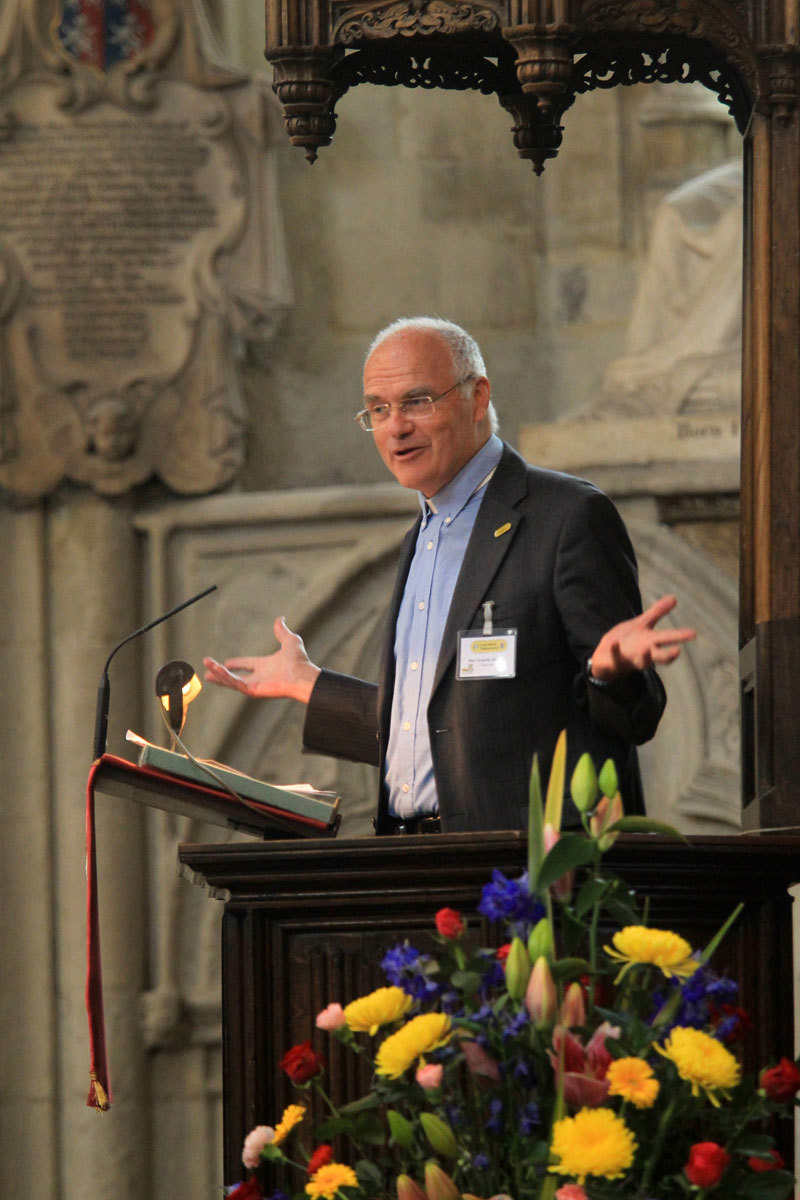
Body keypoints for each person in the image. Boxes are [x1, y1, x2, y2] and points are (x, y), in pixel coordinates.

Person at [204, 317, 695, 833]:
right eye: (378, 409)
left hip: (527, 874)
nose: (396, 427)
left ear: (477, 397)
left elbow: (636, 718)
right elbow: (439, 723)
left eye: (417, 401)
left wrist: (609, 672)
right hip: (414, 863)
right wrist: (311, 686)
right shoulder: (421, 537)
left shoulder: (566, 517)